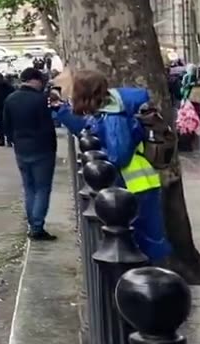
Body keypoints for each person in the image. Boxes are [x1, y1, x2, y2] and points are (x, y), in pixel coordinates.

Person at [53, 69, 171, 262]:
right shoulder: (107, 111)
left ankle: (153, 279)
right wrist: (63, 113)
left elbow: (119, 155)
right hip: (134, 184)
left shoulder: (114, 116)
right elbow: (88, 131)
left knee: (146, 239)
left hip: (135, 185)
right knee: (144, 237)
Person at [4, 68, 58, 240]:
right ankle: (37, 226)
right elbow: (47, 126)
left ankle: (32, 223)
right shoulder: (40, 100)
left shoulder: (11, 99)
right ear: (35, 80)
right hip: (42, 149)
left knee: (29, 188)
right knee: (42, 188)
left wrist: (14, 141)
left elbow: (7, 126)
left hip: (21, 148)